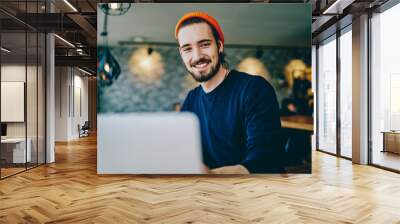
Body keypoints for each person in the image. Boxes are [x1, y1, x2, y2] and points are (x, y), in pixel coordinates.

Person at [176, 12, 284, 174]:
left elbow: (265, 159)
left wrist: (212, 176)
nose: (197, 56)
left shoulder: (254, 88)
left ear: (219, 46)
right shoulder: (192, 99)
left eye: (204, 44)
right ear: (181, 54)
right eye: (187, 49)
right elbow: (183, 148)